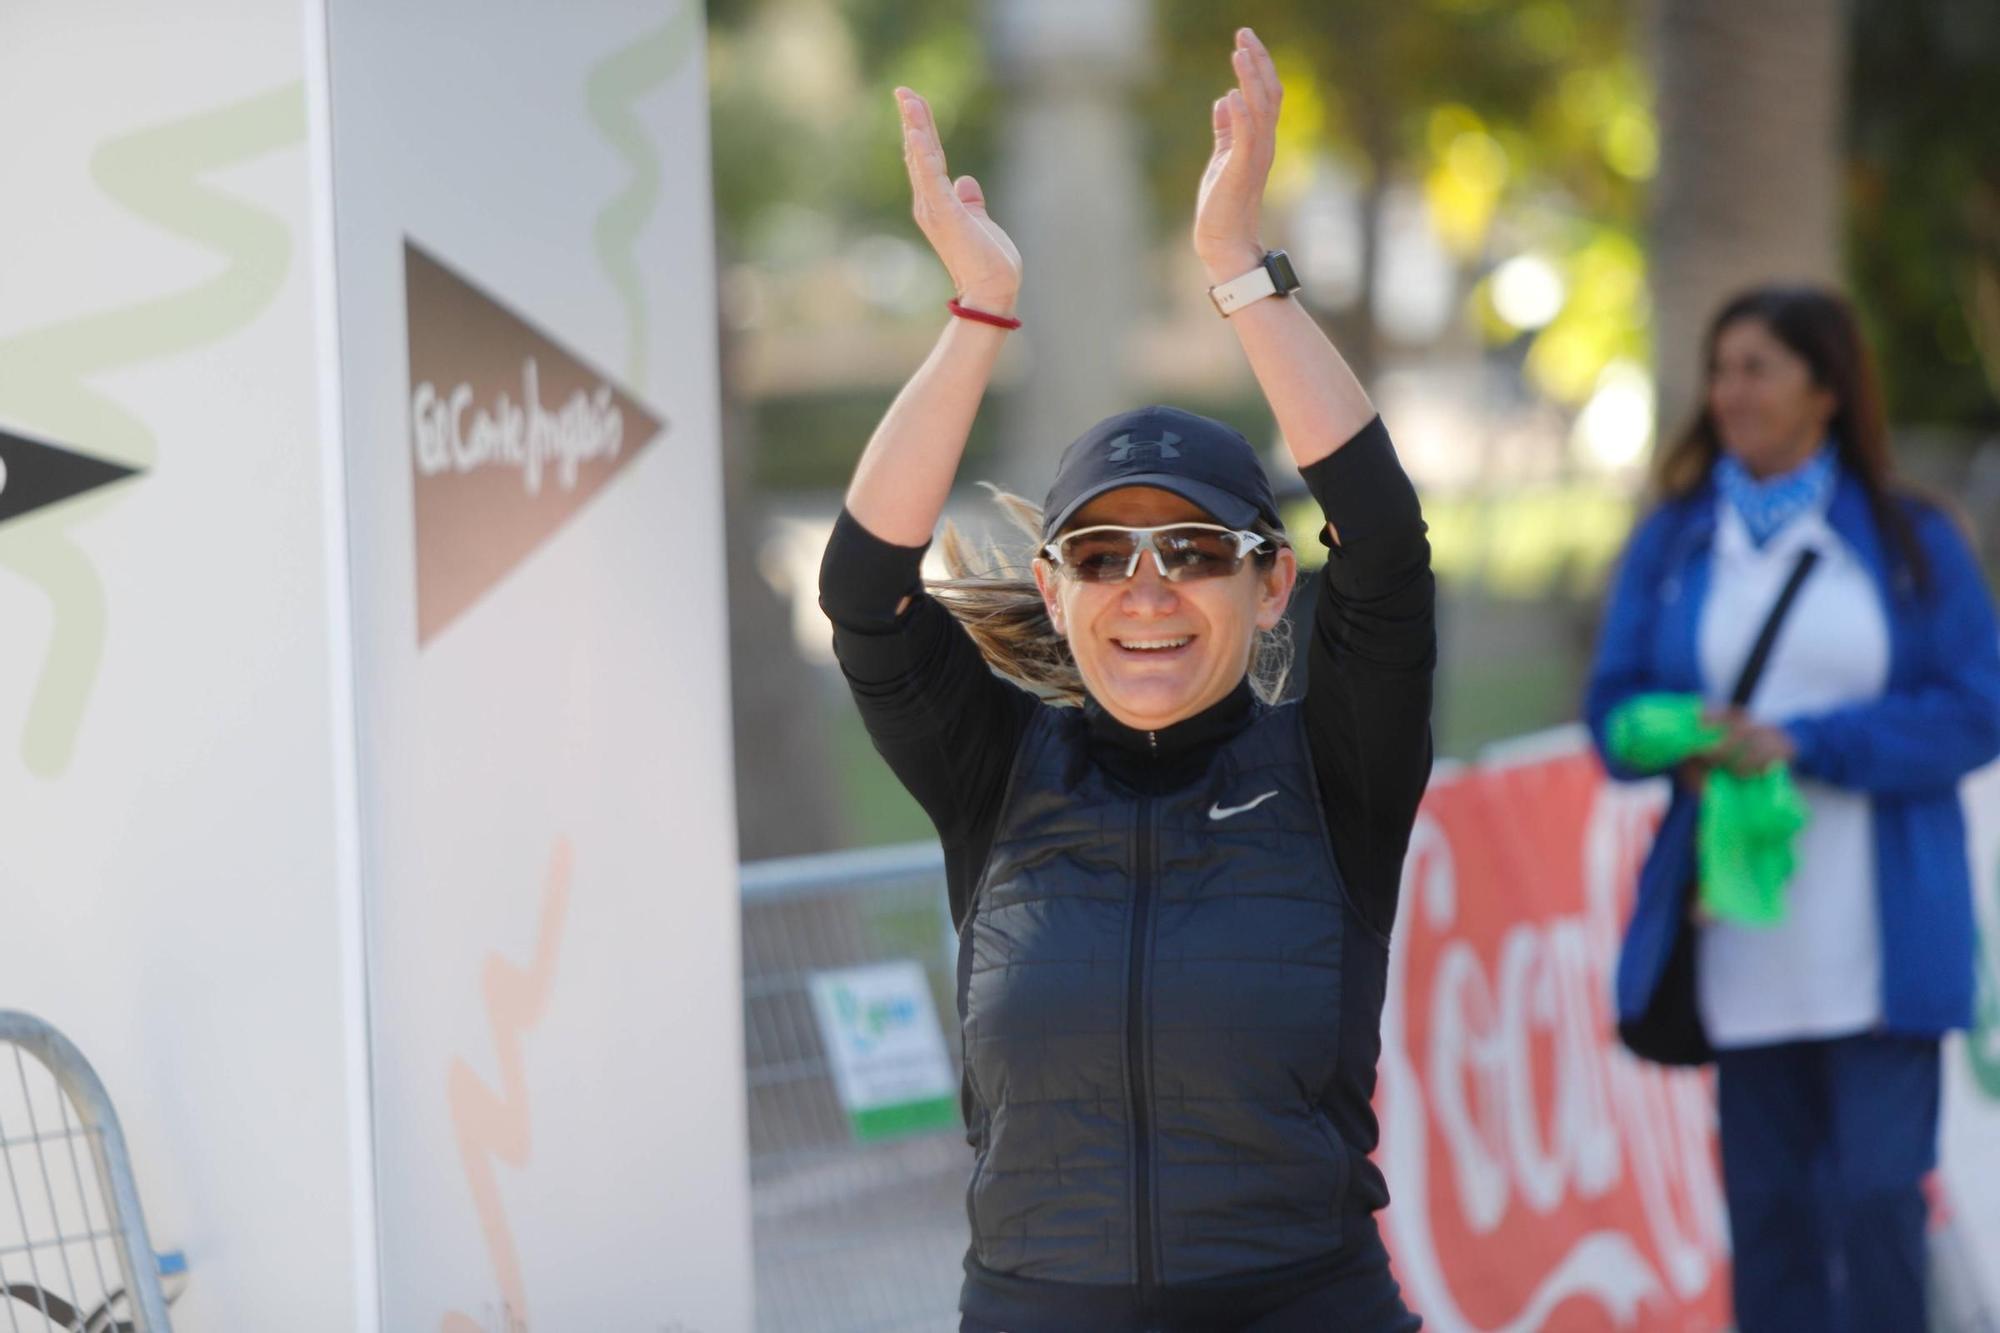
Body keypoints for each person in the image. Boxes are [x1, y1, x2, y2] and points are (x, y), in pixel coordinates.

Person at [816, 27, 1432, 1333]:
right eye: (1102, 552)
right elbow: (862, 592)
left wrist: (1235, 271)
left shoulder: (1337, 770)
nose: (1146, 589)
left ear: (1271, 584)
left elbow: (1383, 545)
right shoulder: (998, 769)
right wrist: (981, 309)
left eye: (1195, 550)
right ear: (1053, 588)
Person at [1584, 285, 2000, 1332]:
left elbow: (1973, 711)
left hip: (1881, 942)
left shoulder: (1913, 539)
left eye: (1755, 368)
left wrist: (1804, 742)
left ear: (1824, 386)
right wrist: (1675, 737)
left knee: (1873, 1205)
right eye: (1718, 369)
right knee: (1766, 1217)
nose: (1728, 392)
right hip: (1738, 943)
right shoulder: (1675, 539)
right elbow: (1610, 709)